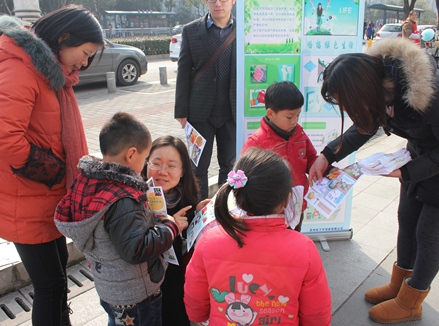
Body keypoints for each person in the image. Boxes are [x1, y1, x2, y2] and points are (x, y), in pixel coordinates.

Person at [308, 38, 439, 324]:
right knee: (406, 219)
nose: (348, 108)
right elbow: (365, 126)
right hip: (420, 155)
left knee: (428, 233)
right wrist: (327, 155)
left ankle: (411, 301)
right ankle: (398, 285)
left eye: (348, 101)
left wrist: (406, 172)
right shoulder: (380, 88)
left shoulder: (432, 94)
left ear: (363, 89)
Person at [0, 5, 103, 326]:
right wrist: (56, 171)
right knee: (51, 286)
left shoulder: (44, 71)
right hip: (26, 201)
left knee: (56, 280)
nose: (85, 62)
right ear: (64, 38)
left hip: (42, 200)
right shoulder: (19, 69)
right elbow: (6, 140)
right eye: (85, 52)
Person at [54, 113, 189, 326]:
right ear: (131, 154)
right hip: (135, 293)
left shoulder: (90, 180)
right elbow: (136, 249)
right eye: (146, 159)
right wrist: (170, 226)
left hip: (109, 285)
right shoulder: (124, 198)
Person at [184, 147, 332, 325]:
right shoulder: (304, 248)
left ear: (237, 194)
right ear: (286, 200)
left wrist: (199, 316)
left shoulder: (209, 241)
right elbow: (316, 312)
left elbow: (195, 296)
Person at [175, 0, 237, 200]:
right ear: (205, 0)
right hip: (199, 113)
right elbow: (183, 72)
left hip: (232, 113)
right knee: (197, 167)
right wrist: (181, 111)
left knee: (230, 166)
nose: (218, 3)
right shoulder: (191, 31)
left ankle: (224, 210)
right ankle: (197, 213)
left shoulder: (245, 30)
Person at [142, 135, 203, 326]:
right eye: (156, 163)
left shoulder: (188, 201)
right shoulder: (134, 200)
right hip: (146, 285)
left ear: (183, 170)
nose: (162, 171)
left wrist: (202, 216)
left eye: (171, 165)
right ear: (146, 164)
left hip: (178, 286)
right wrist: (171, 227)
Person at [241, 81, 318, 231]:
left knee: (293, 245)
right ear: (271, 114)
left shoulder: (299, 135)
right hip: (269, 213)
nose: (295, 121)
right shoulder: (256, 143)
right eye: (289, 117)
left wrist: (324, 168)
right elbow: (245, 180)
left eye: (298, 115)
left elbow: (311, 159)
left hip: (297, 207)